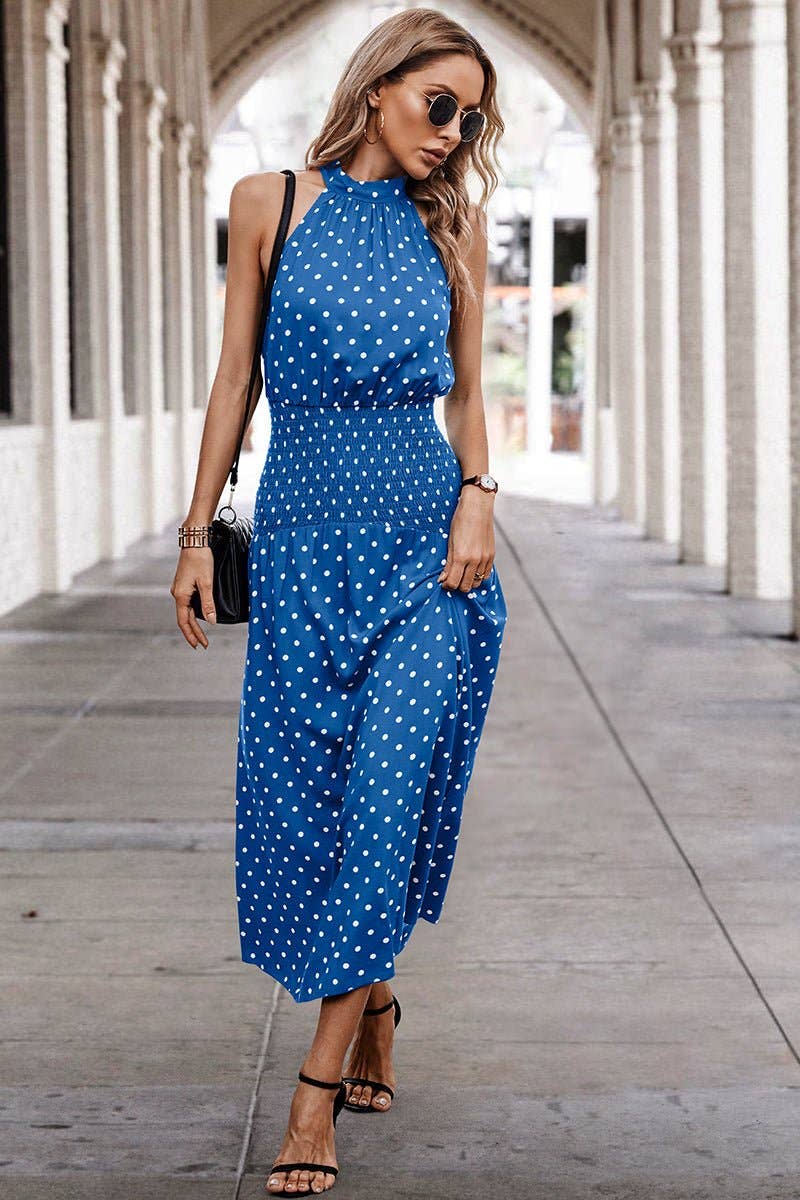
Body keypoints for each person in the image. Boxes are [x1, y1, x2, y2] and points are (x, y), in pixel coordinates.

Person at [170, 8, 508, 1195]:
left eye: (470, 116)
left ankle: (310, 1103)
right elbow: (231, 383)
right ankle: (373, 1004)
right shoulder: (271, 203)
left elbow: (469, 396)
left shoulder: (454, 229)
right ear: (378, 88)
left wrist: (477, 496)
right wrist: (196, 532)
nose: (454, 131)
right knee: (306, 812)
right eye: (439, 104)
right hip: (306, 548)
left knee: (381, 809)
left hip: (428, 555)